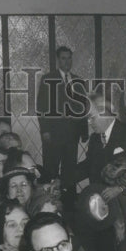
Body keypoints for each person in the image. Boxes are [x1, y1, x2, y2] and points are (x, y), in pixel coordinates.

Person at [37, 46, 89, 187]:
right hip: (53, 135)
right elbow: (41, 106)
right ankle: (49, 204)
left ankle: (68, 204)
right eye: (63, 58)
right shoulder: (48, 79)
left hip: (72, 135)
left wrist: (84, 131)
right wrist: (45, 130)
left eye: (69, 58)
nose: (67, 61)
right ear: (58, 60)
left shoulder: (78, 81)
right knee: (51, 170)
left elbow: (83, 107)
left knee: (69, 171)